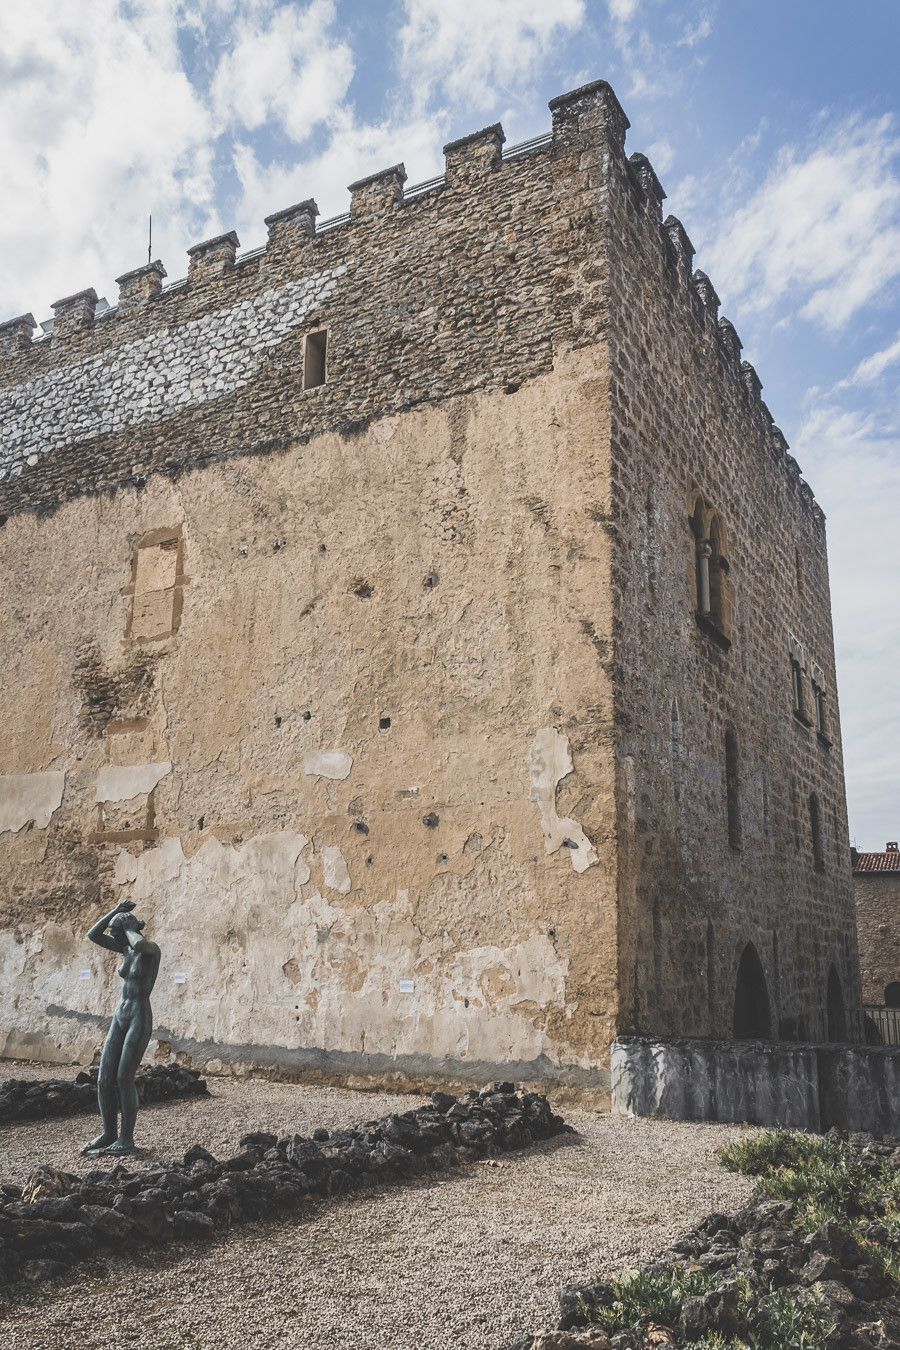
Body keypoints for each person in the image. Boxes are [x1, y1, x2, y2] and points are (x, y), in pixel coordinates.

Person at [82, 899, 160, 1155]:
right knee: (104, 1078)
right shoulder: (125, 950)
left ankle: (126, 1140)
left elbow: (138, 942)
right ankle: (108, 1133)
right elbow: (93, 934)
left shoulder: (149, 949)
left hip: (139, 1015)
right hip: (120, 1015)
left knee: (123, 1078)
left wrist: (128, 925)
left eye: (117, 933)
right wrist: (115, 911)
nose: (114, 938)